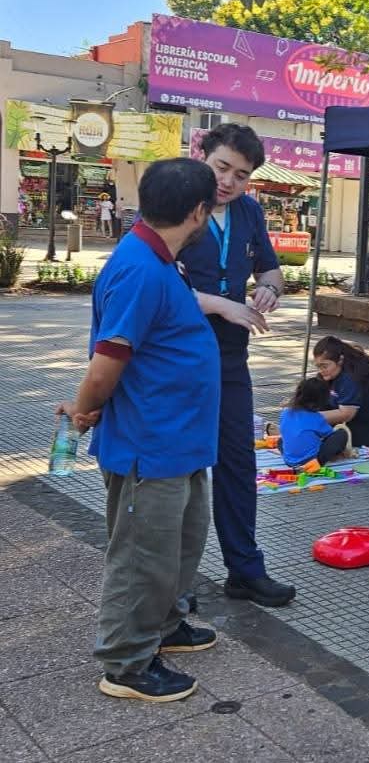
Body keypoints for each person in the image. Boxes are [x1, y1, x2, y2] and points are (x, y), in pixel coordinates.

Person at [56, 158, 221, 703]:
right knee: (141, 555)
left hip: (181, 442)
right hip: (149, 445)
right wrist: (83, 410)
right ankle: (126, 661)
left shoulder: (159, 259)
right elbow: (106, 365)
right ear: (197, 212)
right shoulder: (139, 268)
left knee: (180, 543)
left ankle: (165, 624)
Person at [178, 123, 295, 608]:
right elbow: (157, 284)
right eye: (222, 167)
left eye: (241, 175)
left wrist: (270, 285)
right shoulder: (176, 203)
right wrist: (221, 305)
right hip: (178, 357)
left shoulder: (248, 211)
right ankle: (171, 590)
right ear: (203, 155)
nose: (228, 181)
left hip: (229, 360)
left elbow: (271, 267)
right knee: (179, 470)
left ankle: (245, 570)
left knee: (237, 463)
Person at [313, 335, 369, 446]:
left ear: (340, 360)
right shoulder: (343, 366)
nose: (321, 370)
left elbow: (346, 414)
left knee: (322, 439)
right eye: (318, 366)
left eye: (324, 366)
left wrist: (308, 418)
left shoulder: (350, 376)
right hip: (365, 419)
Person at [279, 377, 352, 469]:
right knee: (341, 434)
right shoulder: (316, 417)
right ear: (322, 400)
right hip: (311, 462)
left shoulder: (285, 412)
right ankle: (322, 460)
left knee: (280, 440)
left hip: (289, 461)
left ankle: (292, 458)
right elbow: (329, 435)